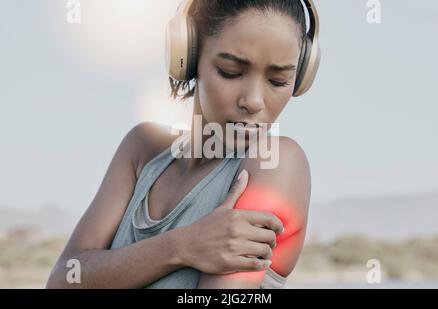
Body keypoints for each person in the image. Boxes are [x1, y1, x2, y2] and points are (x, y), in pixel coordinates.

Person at [47, 0, 318, 289]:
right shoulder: (141, 150)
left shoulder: (276, 163)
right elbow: (64, 278)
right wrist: (182, 246)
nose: (253, 101)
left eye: (278, 80)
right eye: (230, 71)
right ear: (188, 56)